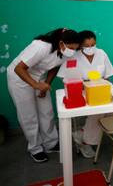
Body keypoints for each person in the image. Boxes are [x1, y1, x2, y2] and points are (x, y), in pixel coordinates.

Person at [7, 28, 79, 163]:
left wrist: (46, 84)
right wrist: (35, 85)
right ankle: (35, 148)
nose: (72, 51)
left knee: (47, 112)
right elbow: (19, 68)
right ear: (61, 42)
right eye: (70, 48)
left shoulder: (65, 52)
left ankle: (51, 143)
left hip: (40, 78)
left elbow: (54, 67)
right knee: (28, 115)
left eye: (75, 49)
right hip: (19, 79)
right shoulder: (41, 47)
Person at [57, 30, 113, 158]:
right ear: (80, 46)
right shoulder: (74, 56)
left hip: (99, 90)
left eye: (93, 45)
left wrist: (104, 87)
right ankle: (85, 141)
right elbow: (64, 78)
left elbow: (108, 76)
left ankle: (82, 135)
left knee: (111, 109)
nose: (91, 48)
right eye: (87, 46)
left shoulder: (101, 54)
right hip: (81, 92)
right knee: (98, 111)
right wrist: (81, 84)